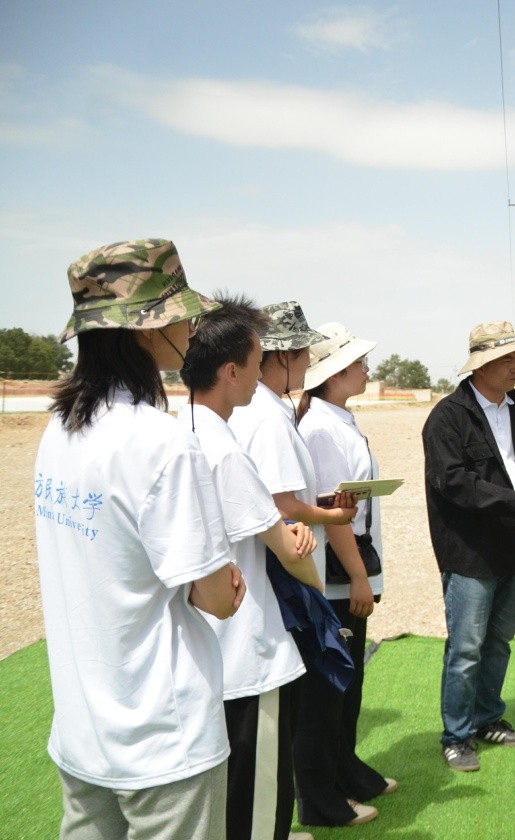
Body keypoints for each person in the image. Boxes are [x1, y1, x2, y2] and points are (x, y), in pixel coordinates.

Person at [34, 238, 246, 839]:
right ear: (146, 331)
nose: (189, 327)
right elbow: (218, 597)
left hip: (83, 726)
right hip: (161, 734)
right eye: (178, 314)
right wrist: (221, 579)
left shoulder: (60, 428)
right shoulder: (160, 439)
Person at [228, 302, 386, 828]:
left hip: (293, 564)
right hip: (293, 569)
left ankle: (326, 789)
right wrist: (330, 512)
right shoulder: (274, 418)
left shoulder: (274, 412)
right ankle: (317, 802)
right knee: (315, 696)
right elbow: (284, 503)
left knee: (317, 693)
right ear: (289, 357)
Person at [179, 295, 324, 840]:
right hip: (249, 648)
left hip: (207, 648)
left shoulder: (180, 428)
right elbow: (286, 547)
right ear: (231, 369)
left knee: (231, 795)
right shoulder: (223, 448)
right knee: (261, 807)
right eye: (259, 358)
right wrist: (317, 588)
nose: (264, 370)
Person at [423, 321, 515, 772]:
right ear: (482, 365)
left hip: (514, 545)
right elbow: (454, 483)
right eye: (508, 359)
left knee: (497, 641)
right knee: (466, 646)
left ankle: (487, 718)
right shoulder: (447, 417)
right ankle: (456, 736)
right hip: (470, 550)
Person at [297, 323, 396, 807]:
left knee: (348, 683)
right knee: (329, 688)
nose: (366, 367)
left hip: (352, 564)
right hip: (338, 573)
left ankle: (345, 769)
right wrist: (357, 575)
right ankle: (320, 793)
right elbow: (333, 513)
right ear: (334, 373)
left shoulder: (335, 418)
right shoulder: (319, 428)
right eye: (357, 361)